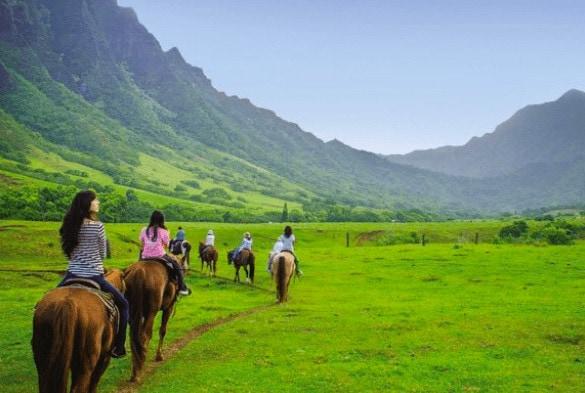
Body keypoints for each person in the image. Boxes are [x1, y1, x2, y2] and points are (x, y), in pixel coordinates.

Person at [58, 190, 129, 358]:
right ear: (87, 204)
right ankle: (119, 346)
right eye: (95, 200)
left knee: (41, 304)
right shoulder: (98, 226)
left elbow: (68, 249)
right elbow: (103, 253)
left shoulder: (69, 225)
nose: (98, 202)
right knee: (124, 305)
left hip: (71, 274)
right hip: (94, 275)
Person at [139, 211, 191, 296]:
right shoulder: (164, 231)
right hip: (160, 255)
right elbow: (166, 245)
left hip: (145, 256)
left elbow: (142, 245)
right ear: (162, 221)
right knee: (176, 266)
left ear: (151, 219)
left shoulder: (144, 230)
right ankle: (182, 288)